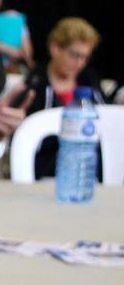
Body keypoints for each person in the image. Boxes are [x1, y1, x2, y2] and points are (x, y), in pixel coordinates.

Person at [22, 17, 107, 179]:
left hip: (89, 168)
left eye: (85, 57)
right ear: (55, 48)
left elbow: (106, 116)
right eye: (75, 55)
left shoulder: (88, 79)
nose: (80, 63)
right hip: (46, 170)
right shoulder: (36, 82)